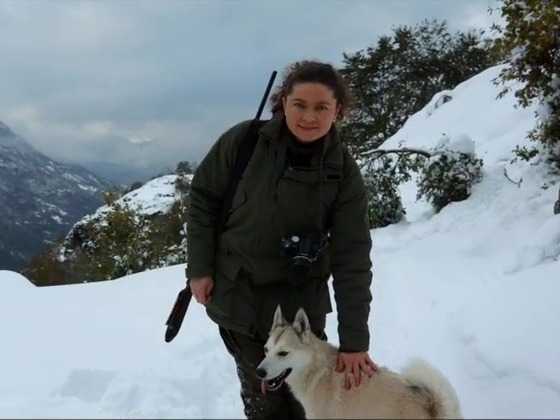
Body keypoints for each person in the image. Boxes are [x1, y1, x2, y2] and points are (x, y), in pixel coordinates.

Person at [186, 60, 377, 419]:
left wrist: (355, 343)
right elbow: (203, 199)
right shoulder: (244, 142)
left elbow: (352, 256)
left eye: (322, 107)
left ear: (338, 110)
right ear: (283, 102)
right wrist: (199, 268)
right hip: (239, 296)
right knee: (265, 401)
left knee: (310, 401)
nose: (309, 117)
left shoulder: (342, 172)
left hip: (302, 304)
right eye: (299, 104)